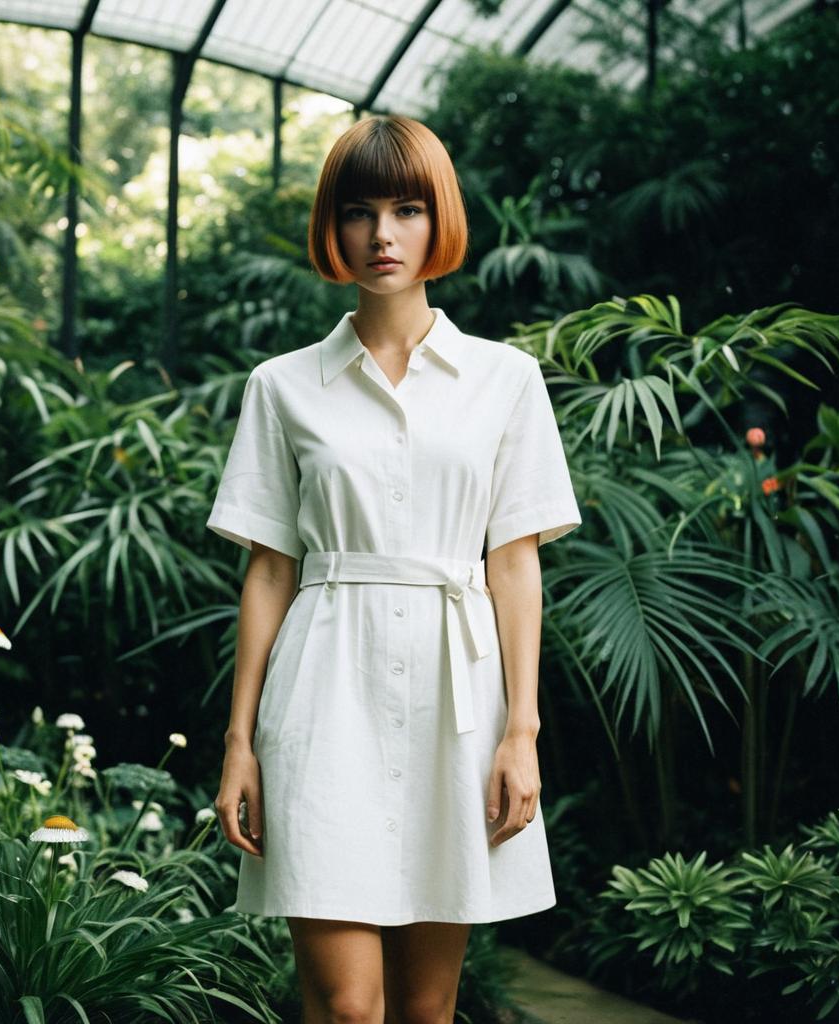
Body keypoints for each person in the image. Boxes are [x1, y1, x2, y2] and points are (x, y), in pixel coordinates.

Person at [207, 114, 581, 1024]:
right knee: (346, 1007)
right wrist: (239, 742)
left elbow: (515, 565)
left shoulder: (506, 380)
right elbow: (269, 571)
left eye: (408, 210)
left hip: (460, 706)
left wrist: (521, 732)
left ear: (439, 219)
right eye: (359, 211)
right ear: (331, 228)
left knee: (427, 1008)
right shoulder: (282, 386)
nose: (383, 234)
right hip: (323, 694)